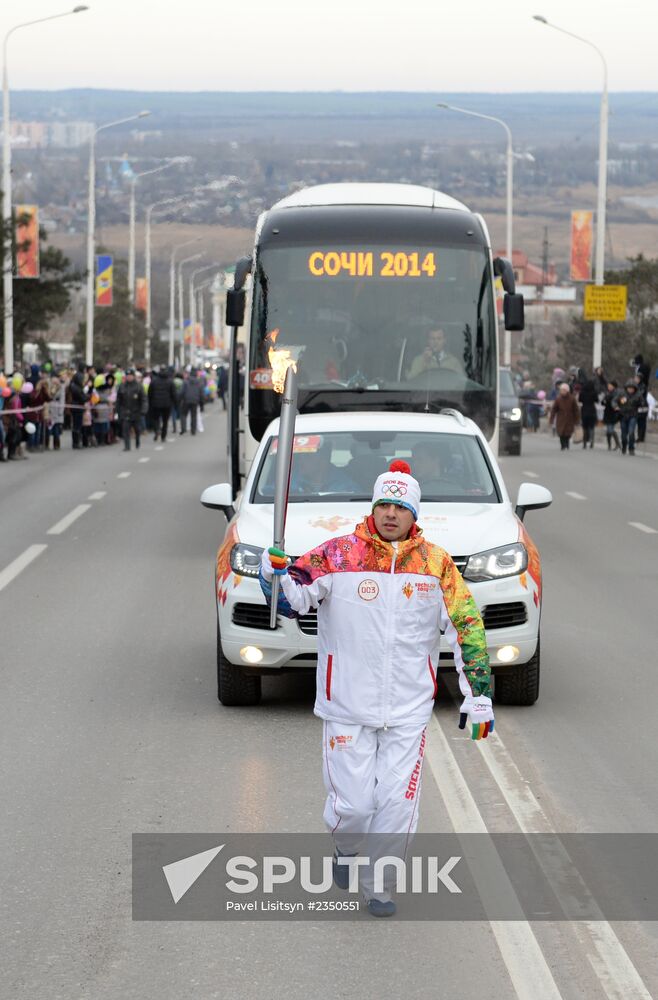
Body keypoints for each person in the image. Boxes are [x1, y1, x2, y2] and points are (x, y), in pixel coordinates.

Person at [259, 460, 492, 918]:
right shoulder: (338, 554)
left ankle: (379, 886)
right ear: (373, 506)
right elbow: (291, 602)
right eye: (384, 504)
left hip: (408, 711)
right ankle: (346, 850)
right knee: (355, 807)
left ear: (414, 513)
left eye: (400, 506)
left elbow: (467, 626)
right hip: (346, 705)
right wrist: (275, 576)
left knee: (396, 806)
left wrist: (477, 694)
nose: (390, 514)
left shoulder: (436, 565)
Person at [116, 368, 146, 451]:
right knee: (125, 430)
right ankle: (127, 446)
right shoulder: (122, 386)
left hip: (136, 412)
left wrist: (143, 410)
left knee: (137, 429)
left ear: (133, 376)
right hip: (125, 412)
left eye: (130, 376)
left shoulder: (138, 386)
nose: (129, 377)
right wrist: (117, 410)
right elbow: (118, 400)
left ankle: (137, 441)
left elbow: (144, 399)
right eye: (127, 376)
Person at [148, 365, 176, 442]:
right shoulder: (170, 381)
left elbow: (150, 393)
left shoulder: (154, 380)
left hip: (156, 404)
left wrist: (150, 402)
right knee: (165, 421)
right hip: (167, 404)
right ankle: (163, 436)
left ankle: (157, 430)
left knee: (155, 419)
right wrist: (174, 403)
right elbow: (173, 394)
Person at [549, 382, 580, 450]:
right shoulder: (558, 399)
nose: (562, 391)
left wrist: (577, 420)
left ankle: (567, 444)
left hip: (570, 419)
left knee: (568, 433)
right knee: (561, 433)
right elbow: (554, 410)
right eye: (561, 390)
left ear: (567, 390)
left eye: (564, 390)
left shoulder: (572, 399)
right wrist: (551, 419)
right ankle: (562, 445)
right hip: (561, 419)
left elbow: (576, 410)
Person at [616, 381, 642, 455]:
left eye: (632, 388)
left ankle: (631, 448)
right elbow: (615, 401)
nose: (630, 390)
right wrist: (616, 406)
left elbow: (643, 403)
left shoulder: (638, 395)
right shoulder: (622, 394)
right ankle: (624, 445)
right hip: (623, 416)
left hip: (633, 416)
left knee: (631, 432)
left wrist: (641, 406)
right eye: (629, 388)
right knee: (624, 434)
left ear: (634, 389)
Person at [578, 373, 599, 449]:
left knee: (585, 427)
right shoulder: (594, 392)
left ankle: (584, 443)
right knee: (591, 427)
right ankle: (592, 442)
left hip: (584, 410)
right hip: (592, 410)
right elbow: (597, 400)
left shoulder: (582, 392)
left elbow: (580, 400)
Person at [180, 368, 203, 435]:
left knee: (183, 414)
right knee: (194, 416)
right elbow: (201, 393)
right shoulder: (199, 382)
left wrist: (179, 400)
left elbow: (182, 392)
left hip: (186, 400)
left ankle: (183, 428)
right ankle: (193, 430)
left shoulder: (186, 381)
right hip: (195, 401)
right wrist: (201, 403)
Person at [602, 381, 621, 452]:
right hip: (607, 413)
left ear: (614, 386)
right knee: (608, 431)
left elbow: (619, 402)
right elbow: (603, 402)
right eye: (608, 386)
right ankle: (609, 445)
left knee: (610, 430)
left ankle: (618, 443)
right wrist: (603, 401)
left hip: (613, 413)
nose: (609, 387)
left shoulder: (617, 393)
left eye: (610, 386)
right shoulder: (607, 393)